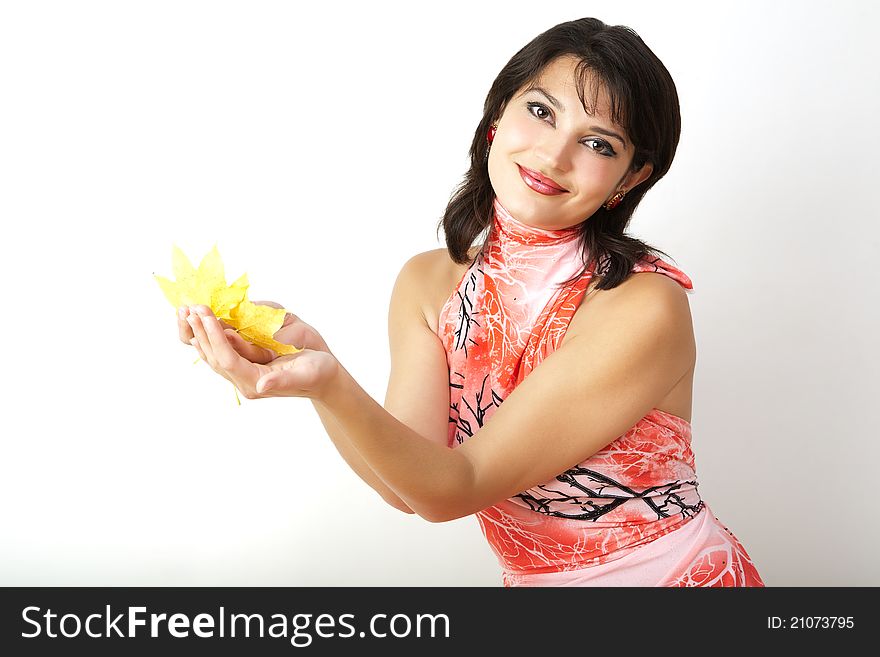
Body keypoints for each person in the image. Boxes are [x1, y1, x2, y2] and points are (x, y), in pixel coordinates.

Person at [175, 17, 764, 587]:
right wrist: (309, 357)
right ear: (496, 117)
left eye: (597, 143)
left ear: (630, 178)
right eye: (540, 111)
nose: (554, 156)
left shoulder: (641, 304)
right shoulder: (427, 283)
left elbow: (456, 487)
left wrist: (330, 384)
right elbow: (407, 487)